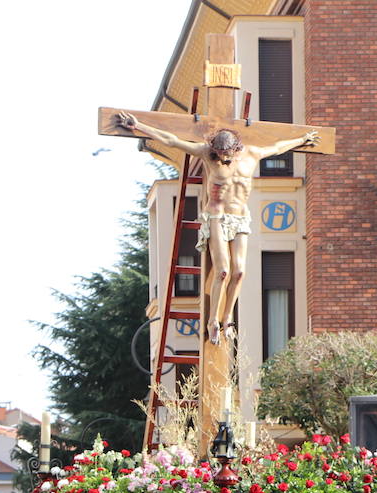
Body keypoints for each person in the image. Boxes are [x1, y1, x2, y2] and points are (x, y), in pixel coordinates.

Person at [115, 111, 320, 344]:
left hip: (241, 217)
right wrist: (139, 127)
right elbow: (172, 140)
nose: (221, 159)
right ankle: (213, 321)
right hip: (216, 217)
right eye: (218, 155)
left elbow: (278, 147)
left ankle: (227, 318)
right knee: (223, 271)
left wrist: (302, 140)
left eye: (225, 155)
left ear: (236, 149)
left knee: (239, 272)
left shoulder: (253, 153)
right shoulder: (207, 154)